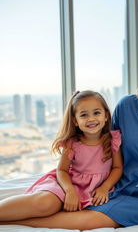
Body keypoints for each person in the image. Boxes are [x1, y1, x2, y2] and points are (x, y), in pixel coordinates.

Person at [0, 43, 138, 230]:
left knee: (89, 220)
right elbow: (103, 144)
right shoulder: (126, 106)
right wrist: (80, 180)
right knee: (44, 204)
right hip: (111, 186)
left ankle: (13, 223)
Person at [0, 90, 123, 222]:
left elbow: (117, 168)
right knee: (45, 204)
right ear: (75, 121)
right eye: (84, 115)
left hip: (97, 190)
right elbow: (62, 170)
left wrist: (104, 188)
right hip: (68, 184)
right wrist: (70, 191)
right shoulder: (72, 143)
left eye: (96, 113)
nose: (91, 119)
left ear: (106, 116)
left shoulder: (112, 140)